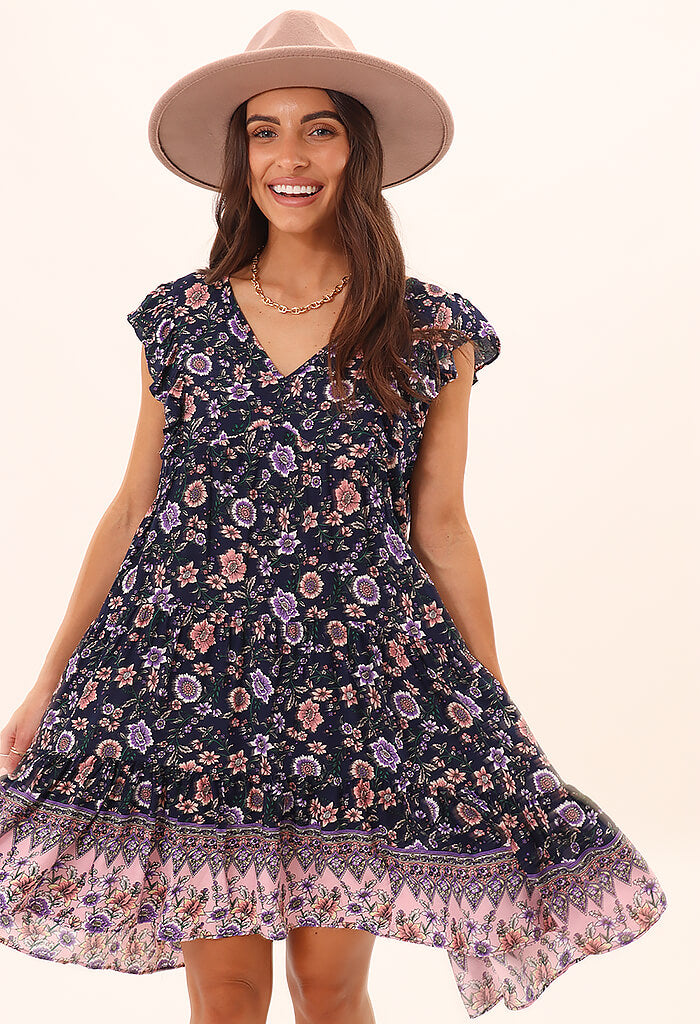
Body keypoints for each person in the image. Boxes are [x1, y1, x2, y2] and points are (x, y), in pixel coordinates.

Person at [0, 10, 667, 1021]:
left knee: (328, 984)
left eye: (320, 128)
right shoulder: (181, 320)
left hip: (354, 693)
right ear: (242, 159)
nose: (291, 156)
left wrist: (489, 702)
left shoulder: (427, 328)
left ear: (358, 151)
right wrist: (48, 677)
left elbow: (441, 525)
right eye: (264, 131)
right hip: (191, 686)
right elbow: (135, 503)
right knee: (226, 991)